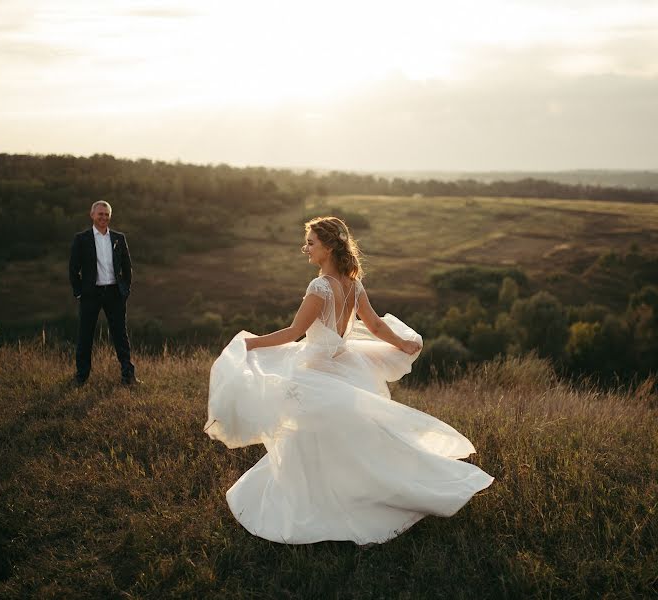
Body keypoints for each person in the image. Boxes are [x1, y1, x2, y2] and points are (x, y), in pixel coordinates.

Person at [205, 216, 493, 544]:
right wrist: (402, 344)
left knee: (308, 433)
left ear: (328, 248)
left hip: (316, 369)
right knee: (329, 435)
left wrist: (249, 342)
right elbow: (374, 325)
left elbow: (295, 333)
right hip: (344, 365)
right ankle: (341, 489)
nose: (306, 248)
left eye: (311, 243)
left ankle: (319, 501)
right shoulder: (353, 284)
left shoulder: (320, 287)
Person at [69, 201, 138, 386]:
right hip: (90, 294)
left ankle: (128, 376)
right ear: (92, 215)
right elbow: (73, 269)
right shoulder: (81, 239)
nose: (104, 217)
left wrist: (126, 289)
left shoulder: (118, 238)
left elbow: (127, 267)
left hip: (114, 293)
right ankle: (81, 376)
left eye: (107, 214)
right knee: (85, 336)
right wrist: (79, 292)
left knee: (120, 335)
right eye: (100, 214)